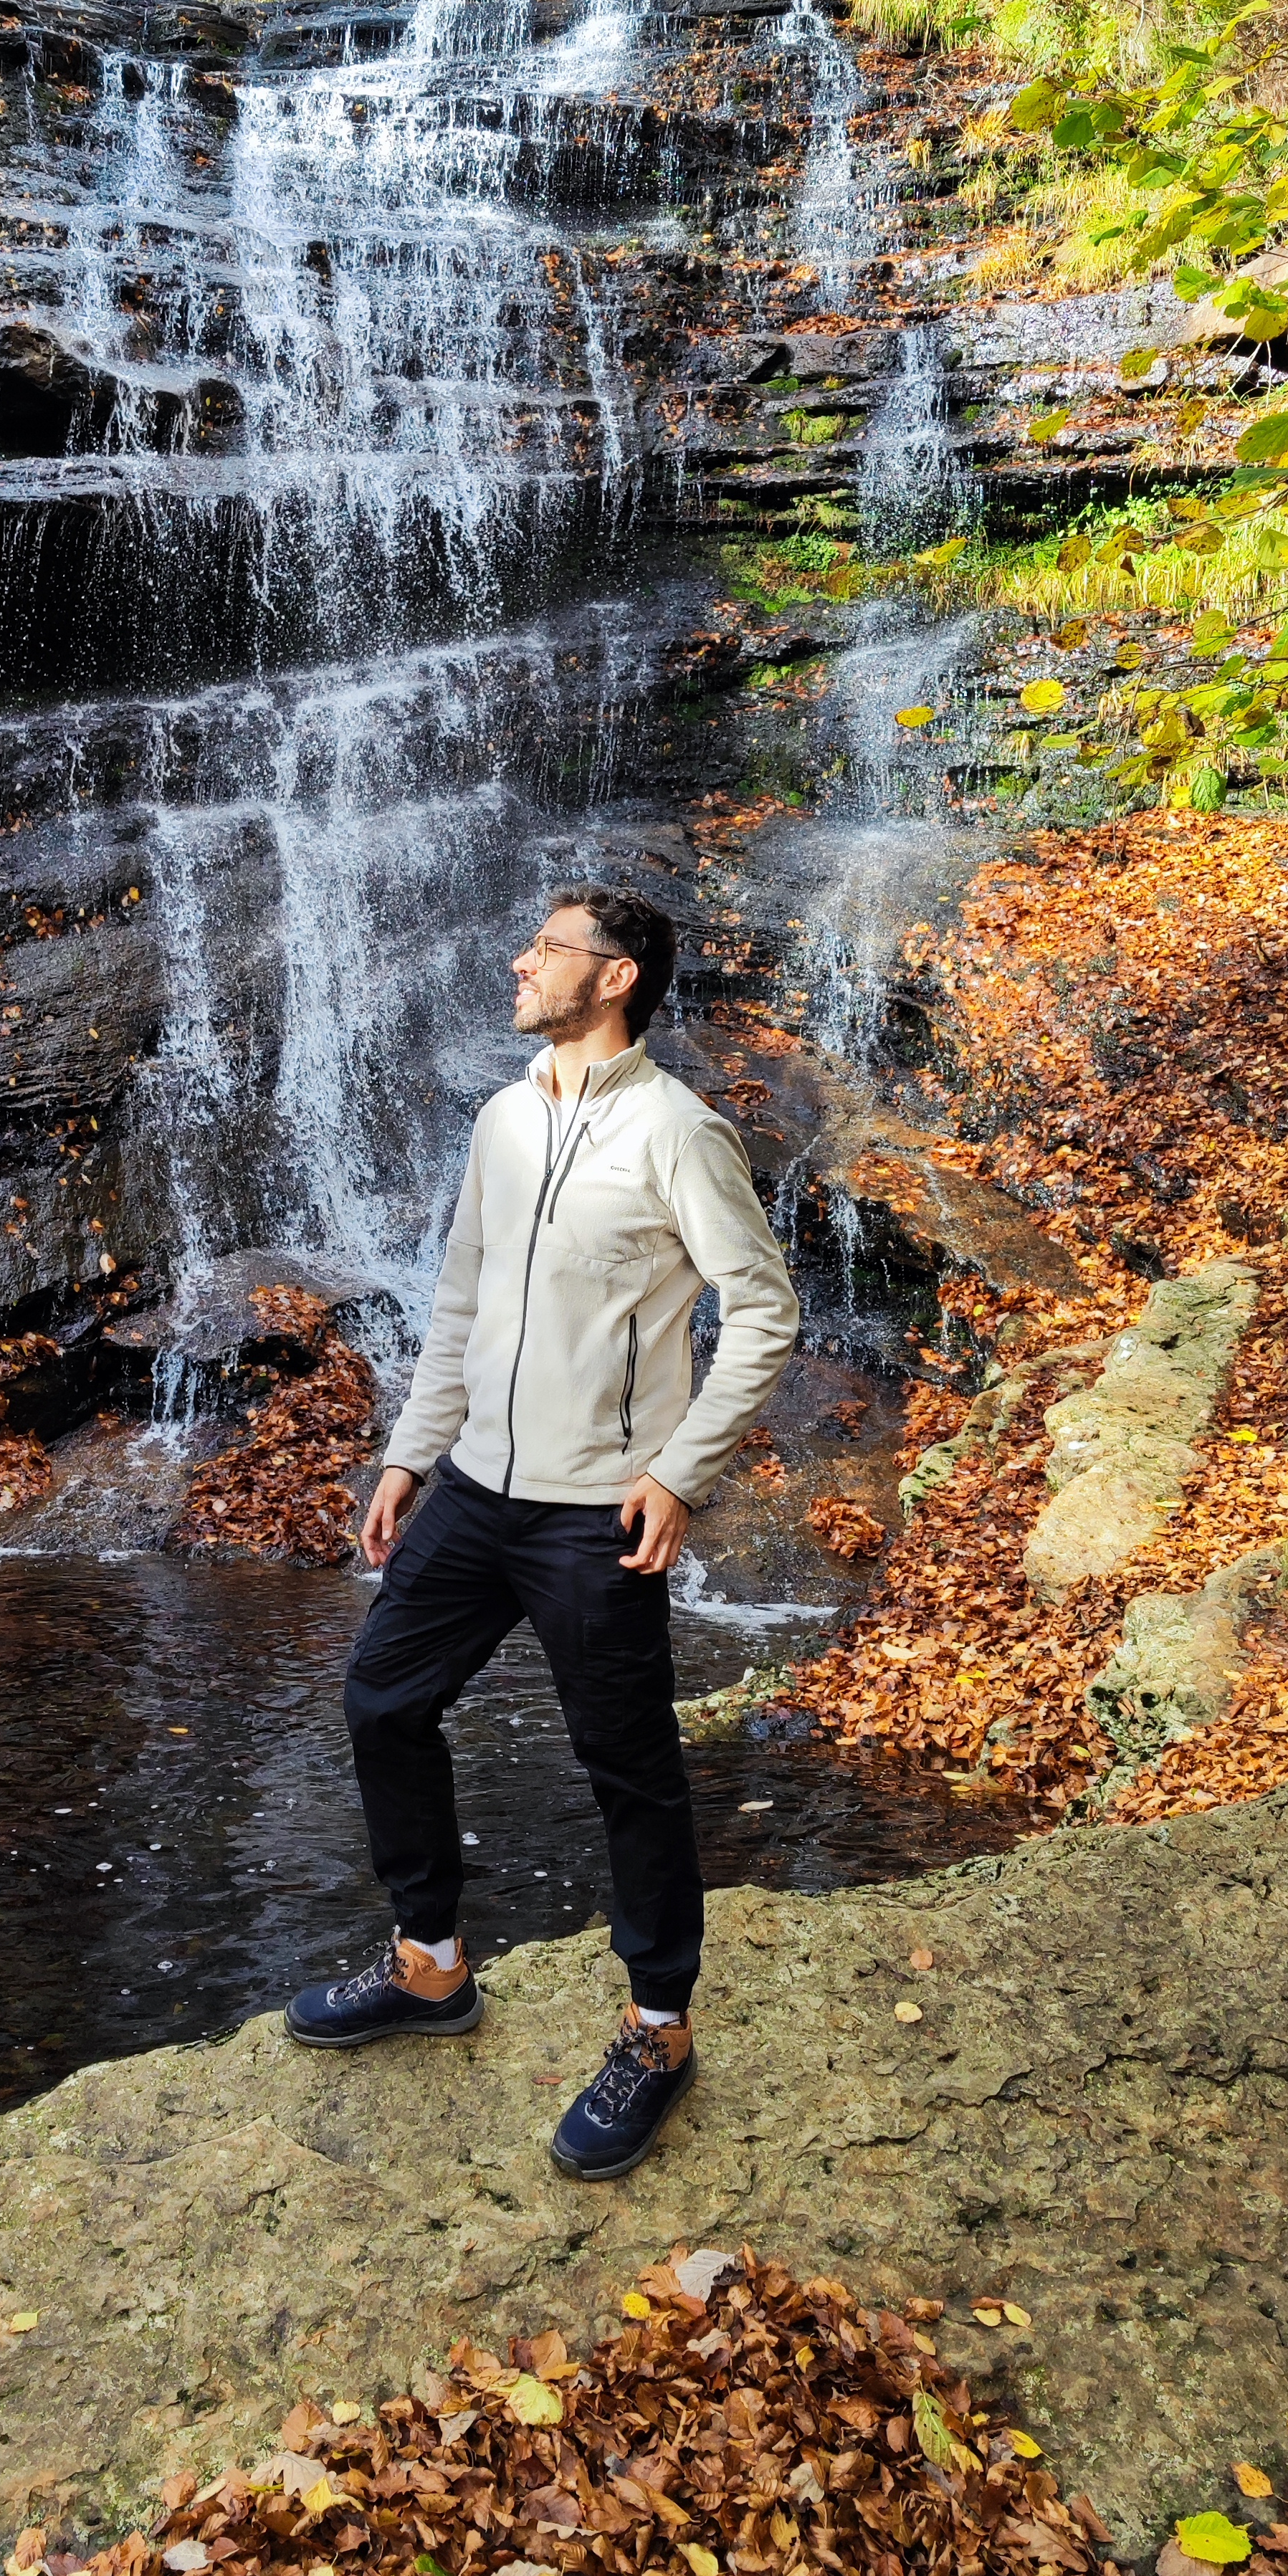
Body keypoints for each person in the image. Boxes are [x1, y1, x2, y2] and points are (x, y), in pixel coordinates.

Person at [284, 884, 801, 2178]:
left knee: (628, 1769)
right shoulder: (504, 1117)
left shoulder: (681, 1133)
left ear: (616, 978)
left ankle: (659, 2030)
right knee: (382, 1701)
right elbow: (460, 1297)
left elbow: (764, 1306)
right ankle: (430, 1965)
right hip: (474, 1487)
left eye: (549, 949)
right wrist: (413, 1453)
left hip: (595, 1511)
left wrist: (681, 1472)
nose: (522, 962)